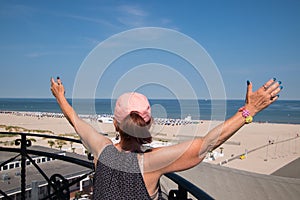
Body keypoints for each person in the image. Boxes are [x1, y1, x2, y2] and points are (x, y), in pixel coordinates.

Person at [50, 77, 282, 199]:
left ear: (115, 124)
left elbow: (75, 120)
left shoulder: (102, 150)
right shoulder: (150, 164)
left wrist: (60, 96)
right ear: (148, 124)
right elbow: (206, 144)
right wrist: (248, 111)